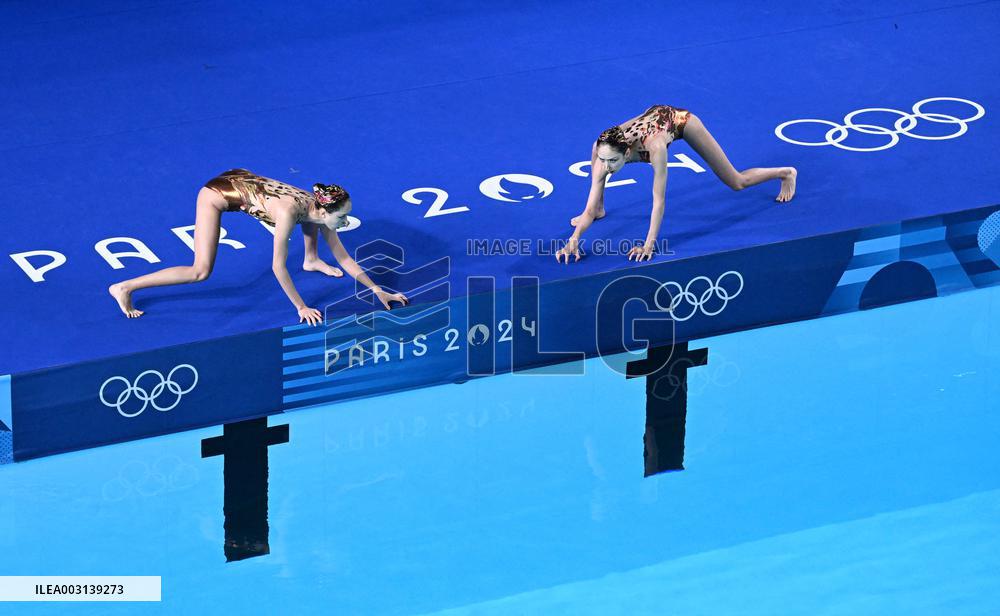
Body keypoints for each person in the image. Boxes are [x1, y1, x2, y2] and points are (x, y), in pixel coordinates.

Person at [108, 169, 407, 325]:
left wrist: (376, 289)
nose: (345, 222)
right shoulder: (291, 213)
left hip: (242, 179)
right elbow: (277, 266)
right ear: (327, 210)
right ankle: (125, 287)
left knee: (314, 225)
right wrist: (301, 307)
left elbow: (342, 257)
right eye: (342, 217)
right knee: (200, 271)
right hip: (217, 193)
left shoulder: (316, 208)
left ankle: (311, 259)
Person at [556, 105, 797, 263]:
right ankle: (601, 207)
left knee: (736, 181)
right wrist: (573, 240)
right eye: (604, 160)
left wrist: (648, 244)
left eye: (612, 161)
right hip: (649, 118)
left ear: (627, 152)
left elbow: (659, 200)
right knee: (596, 176)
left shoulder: (656, 148)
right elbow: (585, 209)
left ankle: (785, 173)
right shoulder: (605, 150)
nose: (606, 166)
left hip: (679, 122)